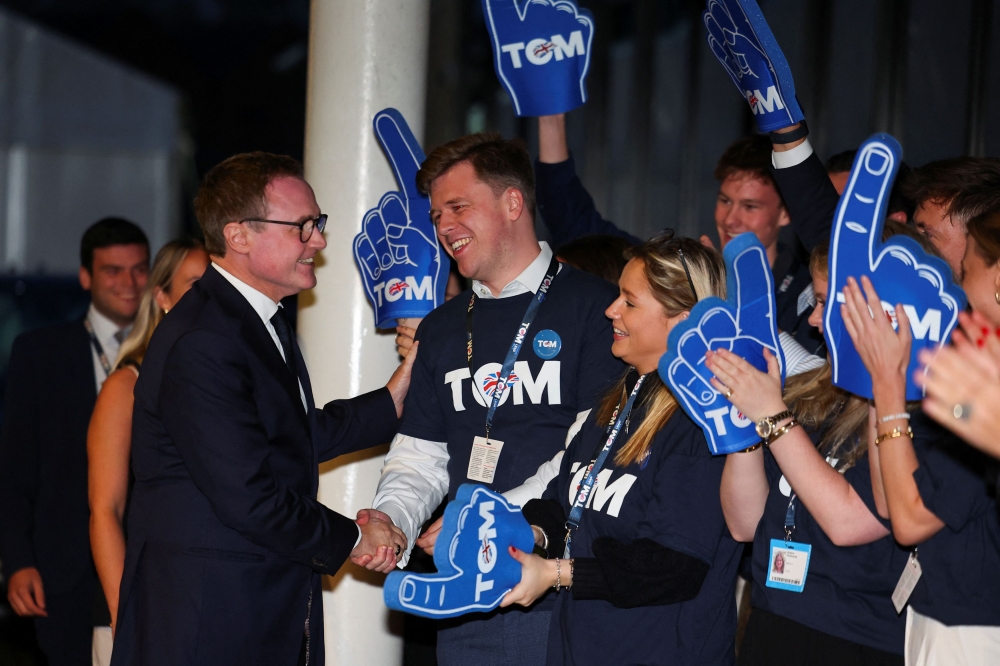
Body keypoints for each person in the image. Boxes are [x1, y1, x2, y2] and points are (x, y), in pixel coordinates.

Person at [110, 152, 414, 666]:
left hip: (244, 607)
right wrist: (356, 538)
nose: (318, 240)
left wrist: (397, 395)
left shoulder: (251, 317)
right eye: (303, 227)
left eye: (318, 224)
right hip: (208, 619)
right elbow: (248, 495)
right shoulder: (205, 337)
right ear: (239, 236)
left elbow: (287, 434)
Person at [369, 132, 625, 666]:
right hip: (465, 591)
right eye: (438, 214)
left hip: (558, 585)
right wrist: (394, 519)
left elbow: (592, 450)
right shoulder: (440, 328)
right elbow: (420, 453)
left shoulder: (598, 309)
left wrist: (487, 518)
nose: (444, 227)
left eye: (458, 207)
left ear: (513, 202)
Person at [500, 234, 742, 666]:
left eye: (629, 302)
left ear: (683, 321)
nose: (611, 310)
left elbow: (674, 566)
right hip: (584, 644)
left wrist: (557, 573)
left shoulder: (705, 419)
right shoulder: (617, 399)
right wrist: (524, 535)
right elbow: (563, 501)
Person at [710, 233, 921, 665]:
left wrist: (771, 415)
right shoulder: (812, 392)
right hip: (773, 618)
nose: (812, 319)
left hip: (855, 638)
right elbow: (744, 523)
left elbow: (851, 523)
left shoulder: (913, 407)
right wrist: (742, 421)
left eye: (826, 302)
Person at [839, 225, 1000, 663]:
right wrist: (879, 382)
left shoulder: (990, 390)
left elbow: (909, 520)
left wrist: (889, 386)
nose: (958, 287)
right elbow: (894, 500)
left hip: (976, 631)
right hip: (940, 616)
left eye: (965, 271)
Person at [535, 114, 821, 353]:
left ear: (786, 213)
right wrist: (551, 118)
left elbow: (815, 391)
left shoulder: (811, 296)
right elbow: (576, 224)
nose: (731, 219)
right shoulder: (680, 271)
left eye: (750, 206)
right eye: (724, 201)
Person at [0, 217, 149, 666]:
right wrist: (18, 560)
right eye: (113, 270)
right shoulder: (40, 352)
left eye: (140, 269)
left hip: (148, 562)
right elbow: (15, 467)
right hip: (61, 570)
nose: (128, 282)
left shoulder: (171, 353)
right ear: (86, 276)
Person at [88, 238, 209, 632]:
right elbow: (106, 511)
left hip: (216, 597)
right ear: (162, 296)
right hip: (152, 599)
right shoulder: (126, 385)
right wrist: (126, 614)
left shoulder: (226, 379)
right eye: (195, 284)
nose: (209, 298)